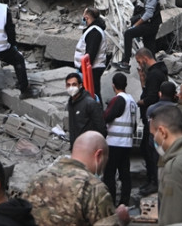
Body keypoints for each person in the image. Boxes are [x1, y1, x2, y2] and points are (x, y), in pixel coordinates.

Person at [25, 131, 129, 226]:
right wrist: (119, 220)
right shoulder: (94, 188)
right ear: (98, 155)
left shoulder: (36, 179)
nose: (102, 169)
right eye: (105, 162)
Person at [134, 48, 169, 196]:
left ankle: (154, 181)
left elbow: (151, 98)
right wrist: (142, 79)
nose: (139, 65)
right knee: (146, 150)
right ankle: (151, 180)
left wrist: (139, 102)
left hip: (153, 122)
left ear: (144, 58)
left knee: (151, 152)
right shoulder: (155, 73)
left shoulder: (155, 74)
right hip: (152, 120)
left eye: (139, 62)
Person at [103, 72, 138, 207]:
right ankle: (124, 201)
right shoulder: (132, 101)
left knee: (110, 174)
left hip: (114, 142)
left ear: (113, 85)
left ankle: (111, 202)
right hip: (127, 143)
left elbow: (107, 116)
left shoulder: (117, 100)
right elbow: (134, 124)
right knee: (125, 173)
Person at [117, 0, 161, 67]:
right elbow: (139, 7)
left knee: (128, 34)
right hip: (148, 23)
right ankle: (153, 67)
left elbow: (148, 14)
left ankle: (125, 61)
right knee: (149, 47)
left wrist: (136, 25)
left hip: (151, 23)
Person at [65, 72, 106, 146]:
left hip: (88, 148)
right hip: (76, 147)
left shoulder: (89, 103)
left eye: (74, 84)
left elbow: (101, 128)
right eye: (68, 85)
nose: (71, 87)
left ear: (80, 85)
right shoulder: (71, 103)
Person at [74, 7, 108, 98]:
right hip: (91, 68)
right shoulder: (93, 30)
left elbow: (91, 53)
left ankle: (97, 111)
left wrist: (83, 69)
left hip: (92, 69)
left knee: (93, 94)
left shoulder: (94, 31)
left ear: (87, 18)